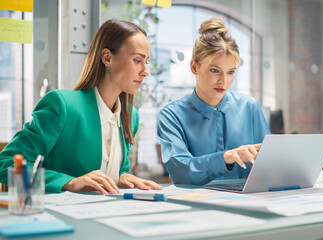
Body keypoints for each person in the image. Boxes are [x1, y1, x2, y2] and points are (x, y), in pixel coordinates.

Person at [0, 19, 162, 194]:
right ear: (107, 57)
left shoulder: (131, 116)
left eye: (146, 61)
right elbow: (6, 162)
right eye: (137, 60)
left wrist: (122, 176)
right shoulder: (62, 105)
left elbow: (113, 169)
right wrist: (69, 182)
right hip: (60, 216)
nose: (145, 71)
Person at [157, 18, 271, 185]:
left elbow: (270, 164)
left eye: (231, 72)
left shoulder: (250, 107)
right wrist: (225, 158)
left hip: (246, 203)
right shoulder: (172, 116)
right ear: (194, 67)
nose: (223, 81)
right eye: (215, 70)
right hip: (196, 208)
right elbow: (181, 172)